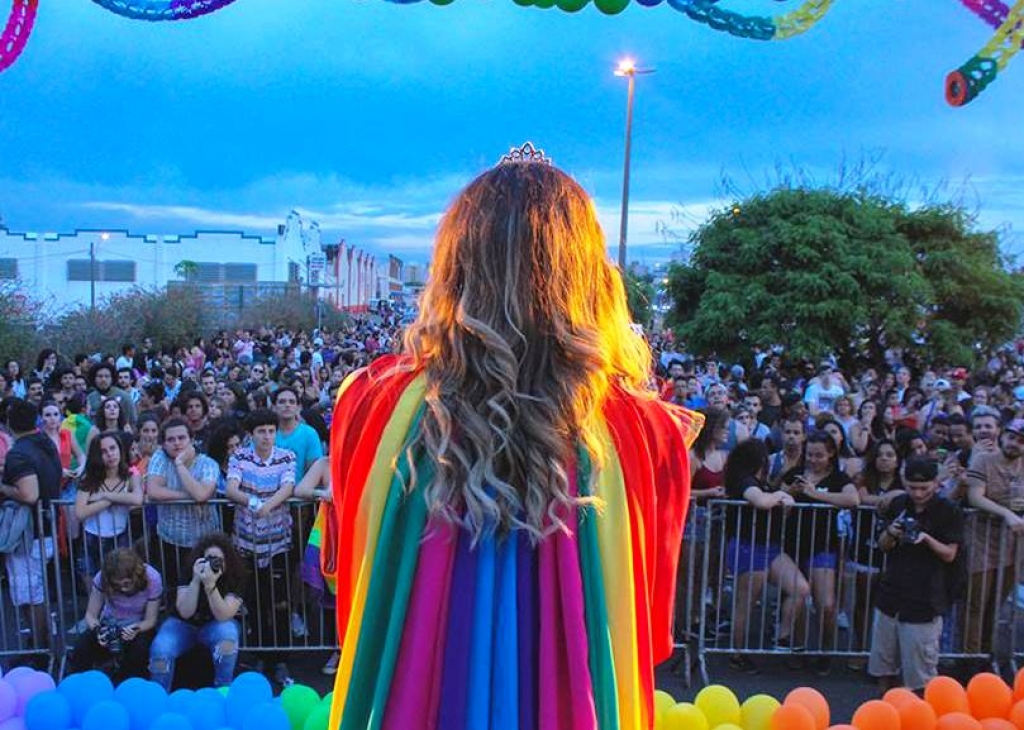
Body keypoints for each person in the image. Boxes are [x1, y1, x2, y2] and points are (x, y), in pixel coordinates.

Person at [322, 157, 701, 728]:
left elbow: (352, 580)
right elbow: (647, 618)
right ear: (588, 272)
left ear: (455, 266)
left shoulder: (375, 405)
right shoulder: (646, 431)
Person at [869, 457, 962, 692]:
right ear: (904, 482)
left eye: (924, 488)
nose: (918, 493)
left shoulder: (948, 511)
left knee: (920, 678)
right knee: (883, 667)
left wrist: (927, 539)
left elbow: (950, 553)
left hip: (925, 601)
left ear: (936, 483)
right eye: (912, 487)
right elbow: (882, 545)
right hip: (890, 596)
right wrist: (891, 531)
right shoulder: (898, 504)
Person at [723, 438, 808, 674]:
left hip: (769, 546)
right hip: (747, 546)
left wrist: (782, 497)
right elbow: (760, 501)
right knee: (746, 603)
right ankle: (736, 655)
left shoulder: (761, 482)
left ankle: (782, 635)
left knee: (800, 588)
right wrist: (780, 497)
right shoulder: (744, 481)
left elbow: (773, 501)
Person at [225, 409, 297, 687]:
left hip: (278, 541)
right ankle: (258, 655)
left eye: (270, 431)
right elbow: (231, 489)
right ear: (252, 435)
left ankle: (279, 658)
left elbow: (288, 486)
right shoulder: (239, 457)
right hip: (245, 543)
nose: (267, 436)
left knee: (278, 602)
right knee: (253, 601)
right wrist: (254, 503)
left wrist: (268, 505)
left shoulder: (286, 456)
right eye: (261, 431)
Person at [780, 430, 860, 675]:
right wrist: (792, 492)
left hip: (824, 544)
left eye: (819, 455)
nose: (813, 460)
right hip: (794, 544)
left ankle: (826, 650)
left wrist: (816, 495)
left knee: (826, 603)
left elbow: (853, 499)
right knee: (800, 599)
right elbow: (777, 495)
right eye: (810, 455)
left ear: (831, 454)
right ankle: (798, 648)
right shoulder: (794, 474)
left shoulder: (838, 477)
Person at [0, 398, 62, 645]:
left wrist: (3, 487)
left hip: (29, 535)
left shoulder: (19, 453)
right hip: (45, 529)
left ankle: (40, 648)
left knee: (30, 594)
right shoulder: (45, 443)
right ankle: (41, 644)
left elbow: (29, 494)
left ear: (8, 423)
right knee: (36, 591)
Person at [148, 532, 245, 691]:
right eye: (209, 558)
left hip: (215, 624)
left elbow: (223, 615)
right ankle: (158, 696)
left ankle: (223, 689)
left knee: (228, 637)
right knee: (161, 648)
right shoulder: (191, 569)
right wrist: (195, 580)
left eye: (219, 560)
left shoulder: (236, 576)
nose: (213, 563)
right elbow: (186, 612)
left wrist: (210, 586)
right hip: (182, 624)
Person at [963, 418, 1024, 655]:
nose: (1014, 444)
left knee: (996, 605)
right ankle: (971, 660)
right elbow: (975, 497)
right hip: (981, 539)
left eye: (1020, 441)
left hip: (1011, 544)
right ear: (1002, 436)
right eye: (1011, 438)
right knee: (976, 604)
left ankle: (989, 656)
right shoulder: (984, 460)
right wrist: (1007, 513)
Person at [145, 418, 221, 595]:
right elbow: (153, 491)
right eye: (170, 440)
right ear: (163, 444)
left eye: (181, 438)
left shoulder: (208, 463)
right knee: (175, 590)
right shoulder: (160, 458)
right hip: (170, 540)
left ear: (191, 440)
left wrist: (179, 464)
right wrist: (190, 496)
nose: (176, 443)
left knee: (206, 590)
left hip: (204, 540)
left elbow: (202, 495)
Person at [68, 547, 162, 681]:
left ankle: (128, 685)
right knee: (81, 649)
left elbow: (151, 620)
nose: (123, 588)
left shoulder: (153, 578)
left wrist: (136, 628)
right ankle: (78, 683)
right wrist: (98, 629)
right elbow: (90, 615)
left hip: (139, 626)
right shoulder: (101, 578)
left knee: (139, 653)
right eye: (117, 585)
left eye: (126, 584)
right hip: (109, 623)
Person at [75, 432, 144, 581]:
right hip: (92, 537)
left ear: (120, 449)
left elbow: (138, 499)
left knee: (120, 580)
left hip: (120, 536)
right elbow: (80, 512)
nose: (110, 454)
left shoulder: (131, 475)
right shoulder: (90, 477)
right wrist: (111, 501)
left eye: (113, 448)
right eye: (103, 452)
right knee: (93, 584)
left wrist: (104, 495)